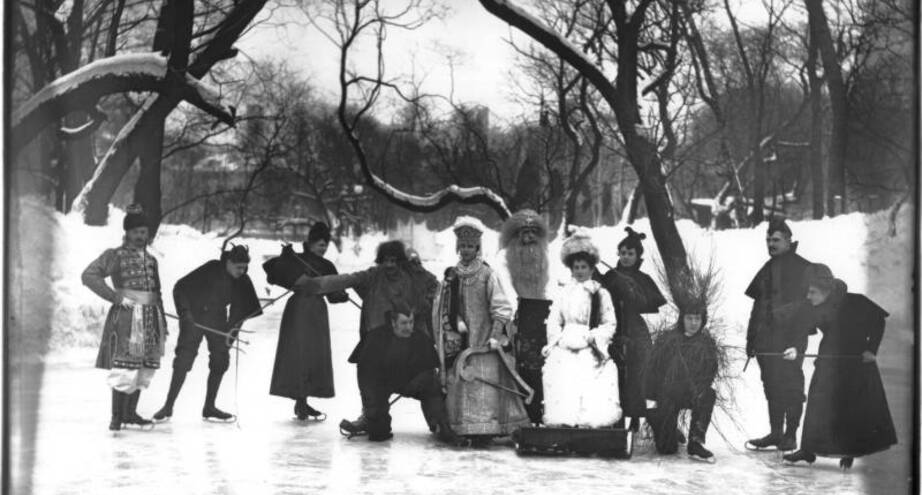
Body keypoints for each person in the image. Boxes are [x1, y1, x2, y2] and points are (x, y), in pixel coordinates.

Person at [294, 240, 431, 434]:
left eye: (394, 261)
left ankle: (439, 422)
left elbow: (432, 296)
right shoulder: (373, 276)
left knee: (428, 386)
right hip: (375, 344)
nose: (389, 265)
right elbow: (344, 279)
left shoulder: (412, 281)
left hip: (404, 345)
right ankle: (370, 417)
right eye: (385, 261)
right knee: (370, 385)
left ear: (400, 261)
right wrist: (314, 285)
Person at [782, 264, 897, 469]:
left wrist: (872, 349)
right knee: (817, 404)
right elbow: (802, 332)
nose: (809, 296)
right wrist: (795, 349)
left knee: (848, 409)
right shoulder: (817, 307)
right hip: (828, 362)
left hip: (856, 364)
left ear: (827, 291)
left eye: (813, 292)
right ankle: (807, 450)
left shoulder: (857, 301)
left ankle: (849, 452)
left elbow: (879, 320)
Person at [433, 217, 530, 445]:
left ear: (477, 248)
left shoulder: (487, 274)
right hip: (459, 340)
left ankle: (487, 429)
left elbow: (502, 306)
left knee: (485, 383)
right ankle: (461, 427)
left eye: (470, 246)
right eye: (463, 246)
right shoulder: (451, 275)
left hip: (484, 339)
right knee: (461, 380)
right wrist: (451, 323)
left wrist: (495, 335)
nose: (466, 250)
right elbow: (442, 305)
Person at [82, 205, 168, 431]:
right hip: (128, 319)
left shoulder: (151, 260)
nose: (141, 237)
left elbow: (157, 292)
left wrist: (163, 323)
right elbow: (89, 276)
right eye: (137, 232)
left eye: (144, 232)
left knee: (145, 368)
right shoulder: (115, 255)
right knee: (125, 368)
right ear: (128, 233)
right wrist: (115, 297)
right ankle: (116, 418)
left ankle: (130, 414)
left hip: (151, 317)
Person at [152, 245, 262, 422]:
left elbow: (241, 311)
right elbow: (180, 287)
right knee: (183, 360)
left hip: (217, 320)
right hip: (194, 317)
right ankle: (168, 406)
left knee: (220, 360)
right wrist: (185, 314)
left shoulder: (242, 280)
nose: (242, 271)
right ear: (228, 262)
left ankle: (209, 407)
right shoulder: (211, 268)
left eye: (244, 267)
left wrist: (229, 335)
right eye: (238, 267)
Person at [264, 222, 350, 420]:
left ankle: (303, 400)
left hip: (317, 313)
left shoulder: (327, 266)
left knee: (313, 355)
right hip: (298, 310)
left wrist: (341, 295)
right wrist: (285, 258)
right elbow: (272, 271)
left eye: (325, 245)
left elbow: (333, 295)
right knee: (299, 354)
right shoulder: (296, 259)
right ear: (310, 243)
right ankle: (300, 402)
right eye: (320, 244)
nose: (323, 248)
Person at [744, 218, 813, 451]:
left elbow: (806, 309)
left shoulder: (804, 268)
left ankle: (791, 435)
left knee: (791, 387)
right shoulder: (767, 267)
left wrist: (796, 344)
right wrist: (751, 339)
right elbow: (757, 307)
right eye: (768, 239)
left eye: (776, 240)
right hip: (766, 340)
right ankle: (775, 433)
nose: (770, 244)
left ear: (788, 240)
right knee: (771, 385)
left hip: (790, 340)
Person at [541, 230, 621, 428]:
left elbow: (609, 322)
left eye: (584, 267)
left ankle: (589, 422)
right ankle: (564, 421)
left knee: (594, 371)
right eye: (576, 267)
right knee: (558, 369)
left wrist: (594, 338)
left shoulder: (600, 294)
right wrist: (556, 340)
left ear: (592, 268)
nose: (579, 271)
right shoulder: (563, 293)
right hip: (565, 341)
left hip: (590, 343)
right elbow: (554, 320)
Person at [356, 302, 465, 445]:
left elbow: (430, 369)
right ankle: (374, 421)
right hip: (381, 384)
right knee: (378, 433)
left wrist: (425, 382)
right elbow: (365, 375)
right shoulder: (375, 338)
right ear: (393, 322)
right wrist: (371, 406)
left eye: (411, 322)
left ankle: (442, 427)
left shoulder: (420, 338)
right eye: (404, 323)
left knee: (431, 385)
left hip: (410, 382)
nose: (409, 327)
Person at [597, 227, 667, 432]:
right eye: (623, 253)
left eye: (631, 253)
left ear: (638, 256)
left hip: (636, 330)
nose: (626, 257)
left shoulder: (642, 279)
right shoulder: (610, 275)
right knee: (614, 373)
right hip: (613, 327)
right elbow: (599, 294)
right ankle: (614, 418)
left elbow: (650, 303)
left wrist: (632, 291)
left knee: (638, 373)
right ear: (618, 254)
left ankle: (636, 416)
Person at [496, 209, 552, 425]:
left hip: (543, 315)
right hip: (516, 315)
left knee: (541, 367)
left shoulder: (545, 255)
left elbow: (552, 286)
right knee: (518, 368)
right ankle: (519, 417)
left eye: (532, 232)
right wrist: (514, 315)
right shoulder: (503, 257)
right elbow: (504, 289)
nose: (528, 238)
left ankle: (539, 414)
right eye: (523, 232)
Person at [645, 301, 719, 463]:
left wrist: (699, 389)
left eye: (697, 319)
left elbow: (710, 372)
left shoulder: (706, 344)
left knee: (709, 394)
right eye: (689, 318)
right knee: (667, 450)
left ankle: (696, 443)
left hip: (691, 394)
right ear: (682, 319)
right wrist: (651, 405)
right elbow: (652, 373)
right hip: (667, 396)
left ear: (702, 320)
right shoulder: (667, 340)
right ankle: (669, 429)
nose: (693, 323)